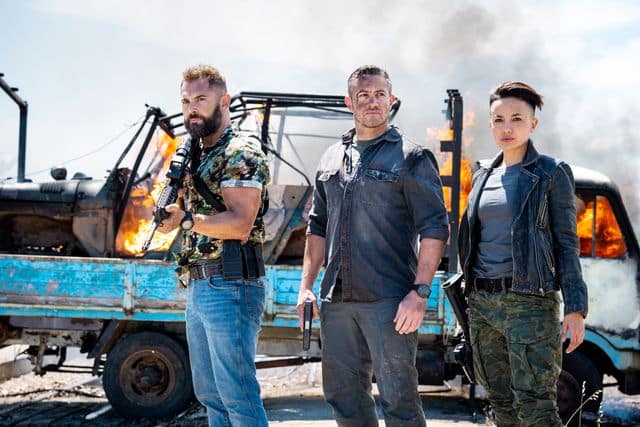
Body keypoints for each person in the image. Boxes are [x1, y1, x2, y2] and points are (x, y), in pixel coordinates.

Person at [296, 65, 449, 427]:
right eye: (363, 95)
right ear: (349, 102)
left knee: (400, 401)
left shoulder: (411, 157)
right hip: (336, 301)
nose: (372, 102)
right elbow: (317, 227)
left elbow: (435, 228)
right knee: (344, 398)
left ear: (391, 100)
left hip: (390, 302)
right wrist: (306, 287)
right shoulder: (331, 157)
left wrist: (420, 292)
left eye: (380, 94)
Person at [458, 81, 588, 426]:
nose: (507, 127)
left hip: (529, 303)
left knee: (535, 405)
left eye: (517, 119)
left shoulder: (550, 173)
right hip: (482, 306)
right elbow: (472, 242)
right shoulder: (481, 174)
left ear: (533, 124)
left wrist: (575, 308)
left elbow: (566, 243)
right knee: (501, 402)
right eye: (499, 119)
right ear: (490, 124)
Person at [159, 64, 269, 426]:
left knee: (238, 396)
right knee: (211, 396)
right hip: (200, 284)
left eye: (201, 99)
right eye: (186, 101)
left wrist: (185, 220)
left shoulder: (240, 151)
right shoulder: (194, 153)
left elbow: (240, 224)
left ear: (224, 101)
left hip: (231, 284)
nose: (192, 108)